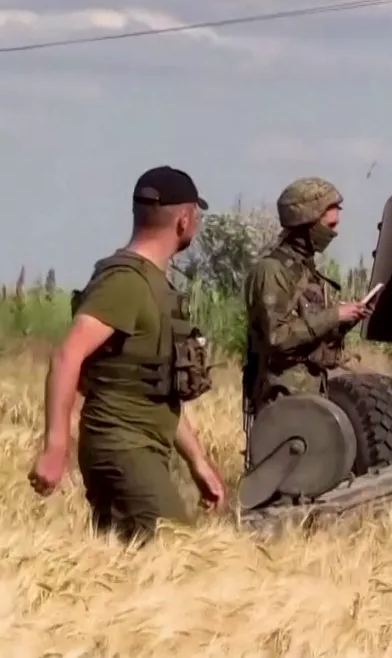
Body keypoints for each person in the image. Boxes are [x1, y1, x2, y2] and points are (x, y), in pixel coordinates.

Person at [28, 166, 226, 543]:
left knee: (134, 570)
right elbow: (67, 356)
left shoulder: (151, 284)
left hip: (143, 447)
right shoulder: (125, 282)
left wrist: (198, 463)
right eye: (195, 216)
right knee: (175, 556)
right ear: (184, 220)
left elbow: (150, 385)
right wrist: (56, 447)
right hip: (122, 447)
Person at [243, 177, 369, 454]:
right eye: (330, 226)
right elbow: (278, 337)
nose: (334, 233)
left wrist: (348, 319)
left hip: (310, 395)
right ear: (306, 223)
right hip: (283, 400)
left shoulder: (307, 271)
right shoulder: (272, 271)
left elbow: (312, 336)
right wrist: (334, 315)